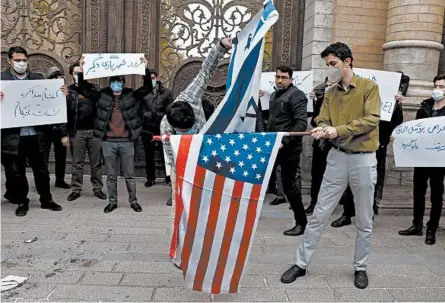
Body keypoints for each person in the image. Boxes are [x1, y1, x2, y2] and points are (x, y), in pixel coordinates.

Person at [281, 42, 380, 289]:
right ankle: (300, 264)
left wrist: (337, 130)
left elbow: (371, 120)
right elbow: (322, 118)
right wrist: (321, 128)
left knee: (364, 219)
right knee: (319, 213)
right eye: (328, 65)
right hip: (336, 157)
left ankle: (360, 267)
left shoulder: (370, 87)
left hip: (363, 158)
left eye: (333, 64)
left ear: (347, 62)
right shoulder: (331, 93)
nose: (330, 69)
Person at [160, 38, 232, 256]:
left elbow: (205, 71)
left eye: (188, 129)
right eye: (182, 132)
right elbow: (170, 158)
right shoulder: (165, 127)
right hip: (183, 162)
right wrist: (174, 178)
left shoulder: (191, 96)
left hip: (206, 154)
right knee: (181, 202)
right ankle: (181, 243)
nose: (186, 133)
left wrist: (221, 47)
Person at [330, 74, 408, 227]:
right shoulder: (360, 97)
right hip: (357, 142)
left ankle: (367, 216)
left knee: (371, 183)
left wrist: (398, 105)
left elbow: (396, 122)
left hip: (378, 145)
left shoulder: (390, 100)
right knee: (350, 180)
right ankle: (347, 214)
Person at [77, 55, 151, 213]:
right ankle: (112, 201)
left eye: (119, 82)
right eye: (114, 82)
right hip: (108, 142)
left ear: (123, 84)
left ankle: (133, 201)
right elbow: (84, 89)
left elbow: (147, 88)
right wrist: (82, 72)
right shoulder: (102, 95)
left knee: (130, 175)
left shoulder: (130, 95)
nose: (116, 84)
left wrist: (145, 69)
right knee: (111, 175)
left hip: (127, 142)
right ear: (110, 84)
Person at [0, 46, 68, 216]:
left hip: (37, 136)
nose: (21, 63)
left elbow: (50, 103)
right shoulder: (2, 80)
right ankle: (22, 202)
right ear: (10, 61)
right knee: (17, 173)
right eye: (17, 60)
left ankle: (46, 200)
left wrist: (61, 95)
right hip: (14, 137)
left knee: (42, 171)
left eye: (24, 60)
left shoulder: (38, 79)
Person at [398, 74, 445, 245]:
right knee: (418, 190)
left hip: (440, 159)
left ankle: (431, 228)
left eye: (442, 87)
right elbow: (415, 129)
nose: (438, 90)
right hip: (422, 157)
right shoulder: (425, 106)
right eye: (436, 86)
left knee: (436, 194)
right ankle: (416, 225)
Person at [267, 65, 308, 236]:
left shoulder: (297, 95)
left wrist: (284, 142)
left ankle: (301, 222)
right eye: (277, 77)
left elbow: (301, 123)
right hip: (272, 144)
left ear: (291, 79)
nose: (279, 80)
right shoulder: (275, 95)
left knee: (289, 185)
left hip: (288, 148)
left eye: (283, 77)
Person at [62, 61, 107, 202]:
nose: (78, 75)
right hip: (77, 132)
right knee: (77, 163)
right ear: (71, 74)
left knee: (96, 163)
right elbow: (63, 113)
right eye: (76, 73)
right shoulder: (67, 91)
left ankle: (98, 188)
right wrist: (64, 134)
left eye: (81, 72)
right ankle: (76, 189)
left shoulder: (94, 89)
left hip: (94, 132)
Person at [305, 78, 336, 216]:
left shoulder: (342, 102)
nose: (328, 88)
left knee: (332, 177)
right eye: (327, 85)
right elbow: (313, 121)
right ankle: (314, 203)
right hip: (320, 143)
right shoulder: (321, 101)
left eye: (331, 85)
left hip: (334, 144)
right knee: (316, 174)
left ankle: (329, 205)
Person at [140, 69, 173, 188]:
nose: (152, 80)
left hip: (162, 129)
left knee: (165, 153)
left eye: (153, 78)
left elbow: (170, 110)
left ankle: (169, 177)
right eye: (149, 79)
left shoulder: (166, 93)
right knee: (149, 154)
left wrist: (169, 127)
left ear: (157, 78)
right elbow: (138, 110)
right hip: (147, 128)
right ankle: (150, 178)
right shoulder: (143, 93)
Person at [45, 66, 71, 189]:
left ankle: (60, 180)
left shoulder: (65, 92)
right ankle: (44, 181)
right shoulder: (42, 91)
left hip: (59, 130)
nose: (57, 79)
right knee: (43, 157)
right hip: (45, 131)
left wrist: (64, 134)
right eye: (54, 77)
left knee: (61, 157)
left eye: (59, 77)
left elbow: (67, 114)